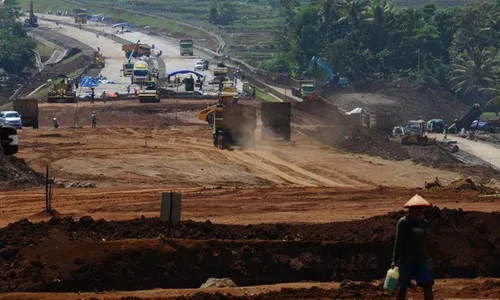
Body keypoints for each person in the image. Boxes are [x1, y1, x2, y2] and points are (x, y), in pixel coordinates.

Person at [392, 194, 434, 300]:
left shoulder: (424, 223)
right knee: (403, 286)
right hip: (406, 259)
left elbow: (425, 241)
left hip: (421, 259)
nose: (420, 212)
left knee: (428, 284)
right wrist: (394, 260)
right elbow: (398, 241)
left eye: (421, 209)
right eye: (418, 209)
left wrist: (429, 256)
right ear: (411, 209)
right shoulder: (403, 222)